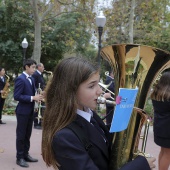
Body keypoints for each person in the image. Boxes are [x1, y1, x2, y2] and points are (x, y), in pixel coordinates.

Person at [42, 57, 155, 170]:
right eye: (92, 86)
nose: (100, 91)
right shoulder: (64, 137)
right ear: (71, 91)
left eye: (98, 84)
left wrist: (128, 122)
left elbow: (100, 139)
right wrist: (140, 166)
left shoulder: (88, 113)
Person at [14, 59, 43, 168]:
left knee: (27, 134)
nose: (34, 70)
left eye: (35, 67)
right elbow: (16, 96)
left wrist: (38, 95)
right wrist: (32, 98)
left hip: (30, 110)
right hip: (22, 111)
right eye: (33, 67)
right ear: (26, 67)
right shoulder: (20, 79)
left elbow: (31, 93)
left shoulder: (31, 78)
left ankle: (26, 154)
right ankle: (19, 157)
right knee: (21, 135)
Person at [150, 71, 170, 170]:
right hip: (167, 130)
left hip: (160, 128)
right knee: (167, 154)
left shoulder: (157, 94)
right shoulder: (168, 97)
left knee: (163, 152)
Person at [32, 63, 46, 129]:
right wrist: (39, 91)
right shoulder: (35, 74)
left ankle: (39, 122)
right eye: (42, 67)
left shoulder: (40, 74)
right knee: (37, 108)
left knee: (41, 108)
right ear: (39, 67)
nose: (44, 68)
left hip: (41, 94)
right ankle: (36, 123)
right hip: (37, 94)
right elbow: (33, 85)